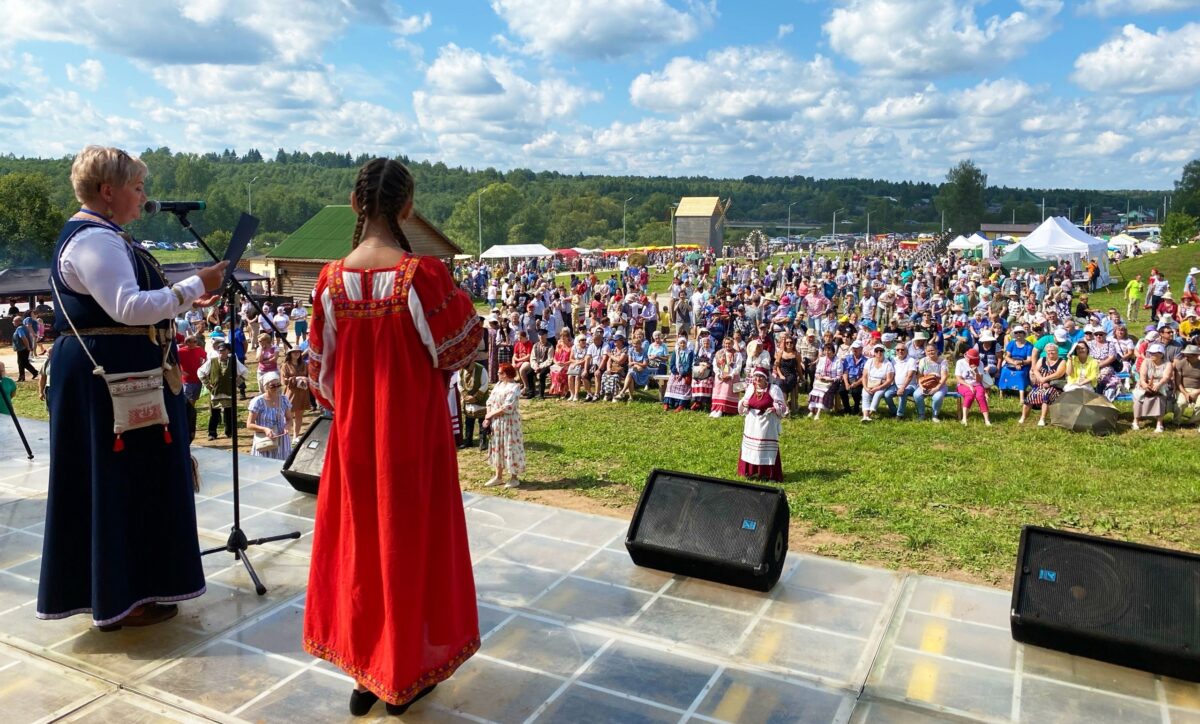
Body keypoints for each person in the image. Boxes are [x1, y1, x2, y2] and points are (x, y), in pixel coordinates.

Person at [303, 158, 481, 716]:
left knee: (363, 554)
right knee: (409, 551)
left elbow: (321, 380)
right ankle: (402, 675)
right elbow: (461, 346)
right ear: (407, 208)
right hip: (413, 440)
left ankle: (366, 676)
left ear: (356, 205)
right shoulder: (422, 277)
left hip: (356, 441)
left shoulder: (330, 280)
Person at [39, 146, 227, 632]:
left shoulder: (105, 235)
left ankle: (128, 588)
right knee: (118, 484)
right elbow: (128, 307)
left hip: (120, 378)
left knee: (128, 483)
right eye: (137, 186)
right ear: (108, 191)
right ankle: (123, 595)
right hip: (110, 382)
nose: (144, 195)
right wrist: (194, 287)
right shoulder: (94, 241)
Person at [737, 367, 787, 482]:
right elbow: (743, 403)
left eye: (760, 377)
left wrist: (775, 409)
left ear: (766, 379)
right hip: (752, 423)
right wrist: (744, 404)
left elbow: (782, 406)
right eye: (756, 377)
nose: (758, 379)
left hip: (767, 423)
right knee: (751, 447)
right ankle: (749, 471)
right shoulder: (750, 388)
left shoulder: (774, 389)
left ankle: (768, 474)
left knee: (765, 448)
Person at [484, 363, 525, 488]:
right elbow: (489, 401)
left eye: (500, 372)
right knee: (498, 446)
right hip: (497, 422)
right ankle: (498, 476)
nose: (498, 374)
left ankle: (514, 477)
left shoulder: (514, 387)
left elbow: (508, 407)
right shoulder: (498, 385)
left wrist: (490, 415)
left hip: (509, 423)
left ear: (506, 374)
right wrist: (488, 417)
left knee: (510, 447)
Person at [198, 341, 247, 439]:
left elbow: (244, 372)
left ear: (228, 351)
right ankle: (212, 433)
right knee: (214, 414)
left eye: (223, 351)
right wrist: (207, 384)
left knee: (229, 413)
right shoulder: (212, 361)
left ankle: (229, 432)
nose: (221, 353)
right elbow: (200, 372)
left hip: (229, 392)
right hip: (215, 391)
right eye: (220, 351)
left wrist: (236, 384)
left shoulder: (233, 360)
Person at [247, 370, 292, 460]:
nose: (276, 388)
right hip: (265, 441)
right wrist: (265, 429)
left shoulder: (284, 399)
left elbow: (289, 419)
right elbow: (249, 424)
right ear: (265, 387)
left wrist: (287, 427)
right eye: (272, 386)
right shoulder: (257, 402)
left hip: (282, 440)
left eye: (278, 385)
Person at [1132, 343, 1172, 432]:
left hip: (1161, 384)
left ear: (1161, 354)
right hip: (1146, 383)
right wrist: (1145, 385)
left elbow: (1166, 377)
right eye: (1151, 353)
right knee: (1139, 397)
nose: (1151, 355)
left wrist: (1158, 384)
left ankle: (1159, 424)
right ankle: (1136, 421)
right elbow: (1142, 377)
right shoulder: (1146, 361)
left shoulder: (1167, 364)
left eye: (1154, 353)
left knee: (1159, 397)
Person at [1024, 344, 1066, 426]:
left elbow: (1059, 374)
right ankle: (1023, 417)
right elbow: (1036, 370)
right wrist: (1041, 379)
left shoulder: (1062, 361)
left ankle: (1042, 419)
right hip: (1040, 384)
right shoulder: (1042, 359)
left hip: (1054, 385)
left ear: (1057, 352)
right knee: (1030, 395)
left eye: (1053, 351)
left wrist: (1045, 379)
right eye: (1048, 351)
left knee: (1047, 395)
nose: (1050, 352)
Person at [177, 334, 207, 441]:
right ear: (187, 343)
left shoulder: (199, 349)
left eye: (196, 341)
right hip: (187, 381)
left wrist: (203, 365)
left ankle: (190, 419)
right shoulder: (181, 351)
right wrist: (181, 371)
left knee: (193, 401)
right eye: (193, 341)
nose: (195, 343)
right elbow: (174, 363)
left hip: (198, 379)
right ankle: (187, 421)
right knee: (188, 401)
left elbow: (205, 358)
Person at [954, 348, 992, 425]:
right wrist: (969, 386)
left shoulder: (980, 363)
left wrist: (976, 372)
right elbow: (958, 379)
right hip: (963, 384)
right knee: (969, 395)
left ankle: (987, 420)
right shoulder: (960, 362)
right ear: (966, 357)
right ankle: (964, 418)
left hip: (977, 384)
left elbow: (979, 381)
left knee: (980, 396)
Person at [458, 357, 489, 449]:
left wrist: (475, 397)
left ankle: (483, 441)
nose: (467, 369)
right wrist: (465, 396)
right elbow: (460, 384)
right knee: (468, 421)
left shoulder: (481, 369)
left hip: (480, 400)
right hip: (468, 400)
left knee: (481, 421)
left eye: (468, 366)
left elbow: (485, 384)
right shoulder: (461, 371)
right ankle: (468, 440)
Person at [280, 347, 311, 439]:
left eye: (298, 352)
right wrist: (296, 378)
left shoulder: (305, 364)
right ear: (290, 354)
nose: (296, 354)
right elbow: (283, 381)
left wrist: (306, 379)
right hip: (291, 393)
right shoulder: (285, 365)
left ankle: (295, 436)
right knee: (288, 415)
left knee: (299, 415)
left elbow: (310, 377)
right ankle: (285, 436)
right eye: (294, 352)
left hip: (302, 393)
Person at [710, 335, 743, 417]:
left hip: (732, 376)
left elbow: (738, 367)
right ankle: (716, 408)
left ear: (732, 344)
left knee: (726, 387)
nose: (727, 345)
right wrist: (718, 374)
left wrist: (730, 375)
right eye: (726, 343)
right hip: (721, 375)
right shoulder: (719, 353)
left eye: (729, 344)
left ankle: (722, 409)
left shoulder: (737, 354)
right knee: (718, 387)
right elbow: (715, 364)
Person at [998, 325, 1033, 405]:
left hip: (1024, 364)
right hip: (1011, 363)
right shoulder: (1011, 344)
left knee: (1020, 374)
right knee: (1004, 371)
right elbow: (1007, 356)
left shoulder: (1029, 345)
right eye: (1016, 333)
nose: (1018, 334)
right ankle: (1001, 394)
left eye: (1020, 332)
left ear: (1024, 334)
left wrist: (1020, 363)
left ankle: (1021, 397)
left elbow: (1029, 360)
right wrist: (1014, 363)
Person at [861, 344, 895, 422]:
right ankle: (865, 416)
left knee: (878, 394)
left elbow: (889, 380)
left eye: (881, 351)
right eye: (877, 351)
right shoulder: (869, 361)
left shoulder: (888, 364)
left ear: (884, 352)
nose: (879, 353)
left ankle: (870, 414)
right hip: (870, 383)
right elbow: (864, 376)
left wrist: (878, 387)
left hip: (882, 385)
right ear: (874, 352)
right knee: (865, 393)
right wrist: (866, 387)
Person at [807, 343, 840, 420]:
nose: (827, 352)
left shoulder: (838, 361)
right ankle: (812, 410)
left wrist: (830, 379)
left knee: (822, 393)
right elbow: (817, 372)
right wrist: (819, 377)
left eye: (829, 350)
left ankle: (818, 413)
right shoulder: (822, 359)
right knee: (814, 391)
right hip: (821, 381)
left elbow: (839, 376)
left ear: (833, 351)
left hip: (832, 382)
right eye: (825, 350)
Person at [664, 337, 694, 411]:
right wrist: (676, 373)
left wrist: (682, 374)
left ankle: (681, 404)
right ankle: (667, 403)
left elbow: (688, 365)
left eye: (684, 343)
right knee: (670, 384)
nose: (682, 344)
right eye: (681, 343)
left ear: (686, 344)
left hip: (685, 374)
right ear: (678, 344)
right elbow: (672, 364)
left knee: (683, 385)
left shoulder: (689, 353)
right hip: (675, 373)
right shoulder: (676, 352)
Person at [1174, 344, 1200, 424]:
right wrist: (1186, 393)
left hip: (1198, 389)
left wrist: (1197, 392)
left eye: (1189, 355)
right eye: (1186, 355)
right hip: (1183, 389)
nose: (1186, 357)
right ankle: (1176, 422)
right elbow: (1178, 382)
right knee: (1180, 403)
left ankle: (1193, 421)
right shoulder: (1181, 363)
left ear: (1196, 355)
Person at [11, 316, 39, 381]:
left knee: (21, 362)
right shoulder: (24, 327)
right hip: (25, 348)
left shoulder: (20, 328)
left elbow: (24, 338)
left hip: (22, 348)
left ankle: (22, 377)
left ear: (18, 321)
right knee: (25, 362)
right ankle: (34, 372)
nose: (13, 322)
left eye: (14, 321)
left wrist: (28, 347)